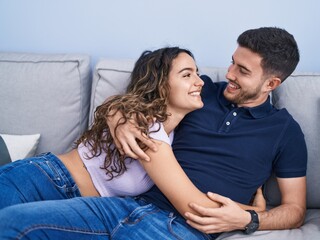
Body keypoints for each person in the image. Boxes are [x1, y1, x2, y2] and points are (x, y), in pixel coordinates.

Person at [0, 46, 264, 240]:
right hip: (44, 178)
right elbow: (192, 203)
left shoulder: (177, 135)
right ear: (162, 84)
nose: (199, 82)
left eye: (197, 73)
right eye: (187, 75)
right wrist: (253, 212)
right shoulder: (143, 124)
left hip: (81, 206)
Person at [108, 26, 308, 234]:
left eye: (243, 70)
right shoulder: (200, 92)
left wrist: (250, 218)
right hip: (125, 206)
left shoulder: (285, 131)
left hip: (180, 229)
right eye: (233, 62)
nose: (230, 73)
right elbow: (139, 97)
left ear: (271, 83)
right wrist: (118, 117)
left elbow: (295, 210)